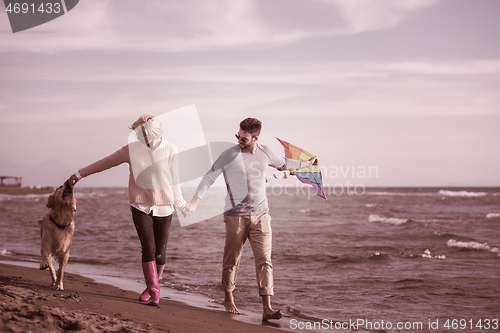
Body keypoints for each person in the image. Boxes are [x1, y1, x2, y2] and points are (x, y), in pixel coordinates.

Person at [181, 117, 315, 320]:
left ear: (255, 137)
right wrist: (194, 202)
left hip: (261, 215)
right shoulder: (229, 154)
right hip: (235, 216)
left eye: (244, 138)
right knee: (232, 260)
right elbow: (209, 177)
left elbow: (285, 164)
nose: (239, 140)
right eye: (238, 136)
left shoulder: (265, 152)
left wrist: (306, 163)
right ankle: (228, 298)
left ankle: (267, 308)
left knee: (265, 261)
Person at [68, 113, 186, 307]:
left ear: (153, 132)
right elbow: (105, 162)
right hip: (140, 205)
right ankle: (156, 293)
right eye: (137, 134)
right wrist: (79, 174)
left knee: (160, 255)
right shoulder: (131, 150)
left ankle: (149, 288)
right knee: (148, 249)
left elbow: (175, 180)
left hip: (165, 206)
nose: (138, 138)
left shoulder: (171, 149)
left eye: (142, 134)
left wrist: (180, 203)